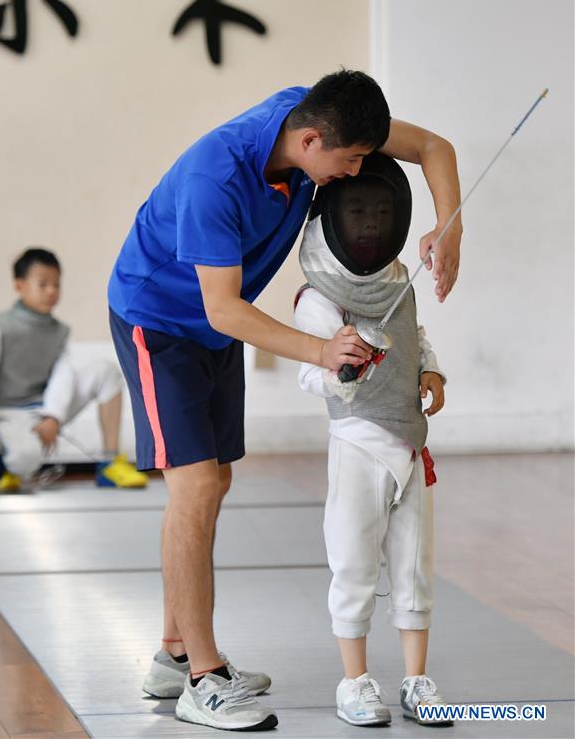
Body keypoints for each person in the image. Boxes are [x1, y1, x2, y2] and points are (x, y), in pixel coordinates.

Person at [108, 70, 462, 732]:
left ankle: (174, 652)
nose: (356, 173)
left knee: (214, 483)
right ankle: (203, 680)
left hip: (216, 324)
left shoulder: (316, 118)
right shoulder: (214, 179)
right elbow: (222, 310)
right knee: (194, 483)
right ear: (308, 141)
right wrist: (321, 350)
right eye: (350, 161)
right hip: (159, 322)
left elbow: (434, 148)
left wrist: (451, 226)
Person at [294, 151, 453, 728]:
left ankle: (416, 680)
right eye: (356, 208)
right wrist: (340, 370)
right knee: (355, 563)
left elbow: (415, 334)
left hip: (411, 445)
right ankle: (355, 681)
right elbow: (307, 369)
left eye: (381, 209)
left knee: (414, 566)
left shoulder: (398, 281)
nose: (368, 221)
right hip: (357, 444)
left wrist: (429, 369)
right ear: (334, 216)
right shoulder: (318, 296)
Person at [0, 248, 147, 491]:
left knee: (105, 371)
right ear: (20, 286)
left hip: (41, 410)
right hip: (6, 414)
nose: (52, 291)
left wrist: (53, 417)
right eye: (43, 284)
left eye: (56, 284)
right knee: (24, 460)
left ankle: (110, 463)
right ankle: (5, 465)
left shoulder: (59, 331)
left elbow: (63, 376)